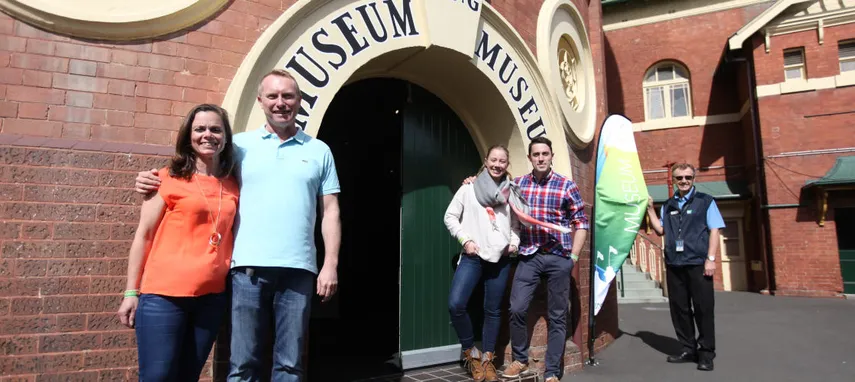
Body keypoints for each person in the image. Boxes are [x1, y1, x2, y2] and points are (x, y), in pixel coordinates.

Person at [134, 69, 342, 381]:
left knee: (290, 364)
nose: (280, 102)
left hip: (299, 269)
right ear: (261, 101)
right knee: (243, 364)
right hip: (246, 271)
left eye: (288, 96)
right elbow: (199, 166)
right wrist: (151, 177)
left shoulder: (319, 150)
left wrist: (330, 265)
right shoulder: (239, 147)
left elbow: (331, 212)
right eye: (272, 96)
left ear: (299, 100)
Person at [117, 104, 240, 381]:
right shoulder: (165, 178)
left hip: (211, 298)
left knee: (188, 376)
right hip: (164, 297)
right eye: (200, 129)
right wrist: (130, 292)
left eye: (215, 129)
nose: (208, 135)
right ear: (188, 135)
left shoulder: (232, 183)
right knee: (158, 376)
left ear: (225, 137)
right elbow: (144, 235)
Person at [499, 136, 589, 382]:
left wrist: (573, 256)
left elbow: (581, 223)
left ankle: (551, 372)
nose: (540, 158)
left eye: (545, 154)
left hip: (559, 257)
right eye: (536, 154)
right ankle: (520, 359)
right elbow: (493, 190)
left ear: (551, 156)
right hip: (529, 256)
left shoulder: (566, 185)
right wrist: (474, 181)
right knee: (516, 307)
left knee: (557, 316)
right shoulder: (518, 185)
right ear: (529, 158)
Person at [444, 145, 521, 382]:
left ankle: (488, 361)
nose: (498, 164)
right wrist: (465, 240)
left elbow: (517, 225)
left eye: (502, 161)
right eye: (494, 160)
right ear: (486, 161)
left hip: (500, 260)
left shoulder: (512, 194)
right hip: (472, 257)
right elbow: (450, 216)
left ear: (507, 165)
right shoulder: (469, 188)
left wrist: (514, 243)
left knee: (493, 311)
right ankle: (472, 354)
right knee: (456, 304)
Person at [646, 162, 723, 372]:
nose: (684, 181)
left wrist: (711, 258)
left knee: (703, 309)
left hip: (698, 263)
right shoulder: (669, 204)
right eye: (680, 178)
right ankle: (688, 349)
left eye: (688, 177)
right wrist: (650, 209)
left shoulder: (705, 201)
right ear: (674, 180)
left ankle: (706, 353)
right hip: (674, 264)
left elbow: (714, 230)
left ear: (693, 179)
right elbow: (661, 230)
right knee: (679, 309)